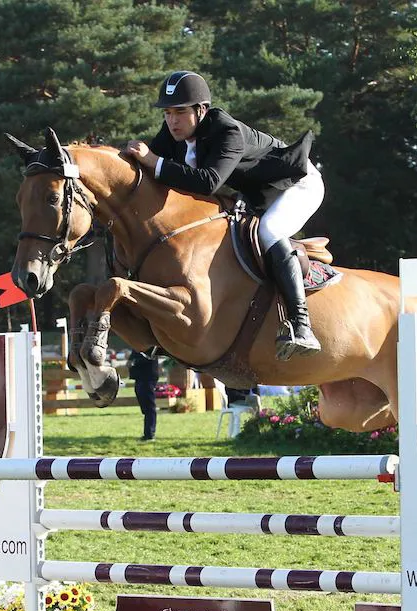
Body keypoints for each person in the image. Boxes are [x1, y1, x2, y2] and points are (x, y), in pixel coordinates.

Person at [124, 70, 325, 361]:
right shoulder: (172, 135)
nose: (172, 120)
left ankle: (301, 325)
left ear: (201, 110)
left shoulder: (226, 131)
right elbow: (149, 172)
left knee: (269, 231)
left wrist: (154, 161)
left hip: (297, 184)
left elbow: (207, 182)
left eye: (180, 112)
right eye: (167, 113)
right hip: (259, 193)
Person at [127, 350, 159, 441]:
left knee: (149, 407)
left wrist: (133, 362)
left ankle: (150, 434)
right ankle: (148, 432)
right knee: (145, 407)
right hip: (139, 377)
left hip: (148, 377)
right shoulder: (137, 344)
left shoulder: (150, 346)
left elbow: (149, 358)